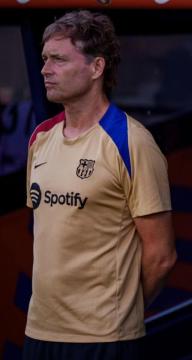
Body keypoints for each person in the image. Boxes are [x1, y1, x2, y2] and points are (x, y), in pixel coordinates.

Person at [24, 10, 176, 359]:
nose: (46, 69)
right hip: (39, 330)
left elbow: (161, 256)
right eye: (45, 58)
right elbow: (47, 231)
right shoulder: (40, 138)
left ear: (96, 68)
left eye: (59, 59)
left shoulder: (131, 141)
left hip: (105, 338)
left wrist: (120, 313)